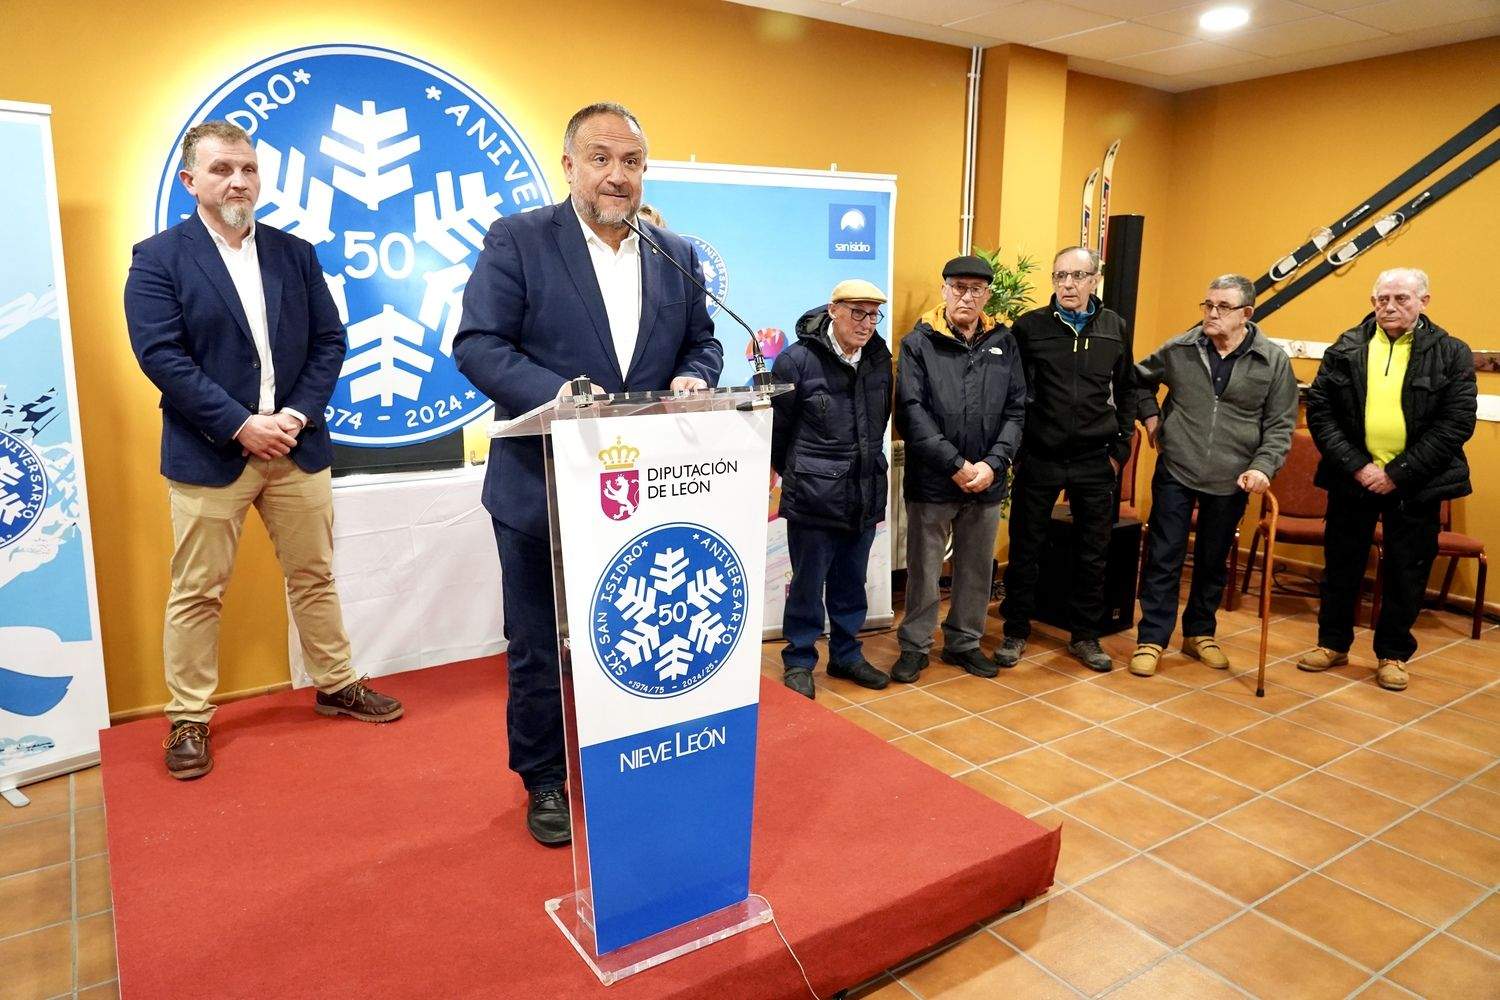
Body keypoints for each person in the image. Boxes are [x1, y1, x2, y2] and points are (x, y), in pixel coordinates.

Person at [454, 103, 723, 846]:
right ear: (568, 165)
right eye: (601, 159)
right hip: (539, 485)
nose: (617, 175)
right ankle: (544, 778)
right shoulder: (519, 240)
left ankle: (633, 759)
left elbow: (702, 343)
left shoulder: (675, 252)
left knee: (633, 633)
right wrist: (559, 396)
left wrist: (698, 376)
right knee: (540, 643)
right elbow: (477, 345)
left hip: (641, 487)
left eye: (632, 162)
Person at [124, 121, 403, 781]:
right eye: (222, 169)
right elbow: (162, 356)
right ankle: (188, 718)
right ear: (191, 181)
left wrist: (296, 415)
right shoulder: (159, 257)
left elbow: (330, 340)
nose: (239, 181)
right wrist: (241, 424)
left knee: (314, 576)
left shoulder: (294, 253)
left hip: (297, 448)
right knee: (198, 591)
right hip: (209, 453)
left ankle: (336, 684)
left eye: (248, 168)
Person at [1299, 268, 1476, 691]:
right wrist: (1359, 467)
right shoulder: (1346, 346)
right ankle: (1332, 643)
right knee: (1341, 565)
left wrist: (1397, 474)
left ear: (1424, 301)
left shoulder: (1451, 352)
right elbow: (1321, 411)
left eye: (1401, 298)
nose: (1389, 307)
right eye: (1382, 299)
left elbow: (1456, 423)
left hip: (1416, 484)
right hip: (1352, 478)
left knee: (1405, 571)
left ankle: (1393, 654)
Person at [1130, 274, 1297, 678]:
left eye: (1223, 307)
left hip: (1233, 475)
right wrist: (1152, 419)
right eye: (1207, 305)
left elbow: (1280, 424)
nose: (1212, 314)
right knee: (1164, 555)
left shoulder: (1272, 361)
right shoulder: (1180, 348)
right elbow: (1137, 380)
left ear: (1247, 314)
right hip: (1177, 467)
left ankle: (1200, 633)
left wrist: (1263, 466)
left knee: (1212, 559)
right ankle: (1152, 637)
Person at [888, 256, 1026, 684]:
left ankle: (964, 643)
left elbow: (1017, 410)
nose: (967, 295)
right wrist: (955, 464)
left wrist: (992, 463)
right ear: (944, 289)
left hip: (987, 480)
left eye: (976, 289)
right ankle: (915, 645)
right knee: (925, 570)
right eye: (959, 287)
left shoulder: (1004, 342)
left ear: (987, 295)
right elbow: (911, 411)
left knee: (976, 566)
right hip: (934, 479)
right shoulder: (919, 343)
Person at [999, 247, 1135, 673]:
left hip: (1095, 458)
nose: (1068, 285)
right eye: (1060, 276)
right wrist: (1019, 452)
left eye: (1077, 276)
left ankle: (1085, 636)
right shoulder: (1030, 328)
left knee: (1094, 551)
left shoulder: (1114, 327)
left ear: (1095, 279)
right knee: (1026, 547)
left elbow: (1127, 388)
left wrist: (1121, 447)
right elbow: (1012, 392)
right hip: (1040, 456)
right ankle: (1016, 630)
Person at [771, 279, 894, 699]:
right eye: (857, 312)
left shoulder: (879, 357)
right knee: (808, 582)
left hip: (863, 488)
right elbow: (778, 430)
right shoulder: (796, 361)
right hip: (813, 494)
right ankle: (800, 659)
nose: (866, 323)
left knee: (851, 580)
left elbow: (880, 418)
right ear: (834, 310)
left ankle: (846, 654)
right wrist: (799, 473)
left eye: (874, 314)